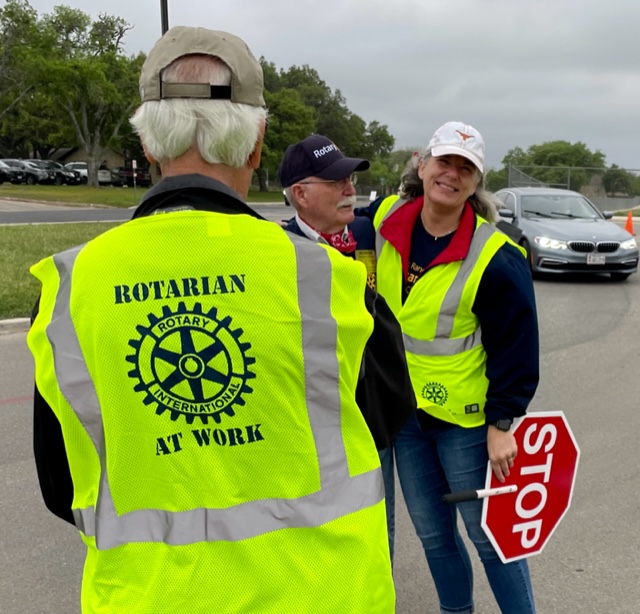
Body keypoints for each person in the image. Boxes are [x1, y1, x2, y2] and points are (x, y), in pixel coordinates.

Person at [27, 26, 397, 613]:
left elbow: (61, 483)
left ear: (148, 144)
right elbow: (382, 423)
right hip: (326, 594)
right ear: (257, 145)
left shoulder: (70, 291)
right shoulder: (329, 279)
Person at [370, 121, 540, 614]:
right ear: (422, 165)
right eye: (445, 161)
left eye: (466, 168)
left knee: (490, 538)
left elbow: (518, 349)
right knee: (433, 536)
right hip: (405, 417)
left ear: (476, 183)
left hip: (464, 422)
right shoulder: (385, 219)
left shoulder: (496, 256)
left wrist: (501, 423)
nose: (452, 174)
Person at [277, 135, 416, 559]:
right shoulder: (278, 255)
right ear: (301, 194)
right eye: (336, 181)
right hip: (309, 432)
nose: (349, 189)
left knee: (375, 523)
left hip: (368, 418)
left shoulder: (362, 234)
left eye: (350, 179)